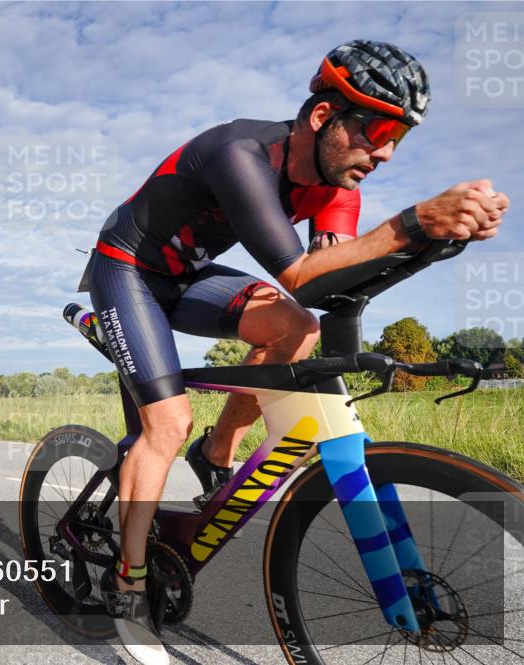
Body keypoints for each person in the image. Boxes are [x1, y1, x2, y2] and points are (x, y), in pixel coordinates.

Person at [81, 40, 508, 665]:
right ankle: (128, 583)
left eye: (400, 139)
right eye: (379, 128)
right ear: (322, 117)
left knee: (298, 330)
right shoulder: (240, 154)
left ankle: (219, 450)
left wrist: (440, 242)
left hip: (186, 274)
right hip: (127, 271)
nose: (385, 152)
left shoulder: (339, 185)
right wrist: (415, 221)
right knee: (167, 423)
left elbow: (338, 283)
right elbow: (304, 271)